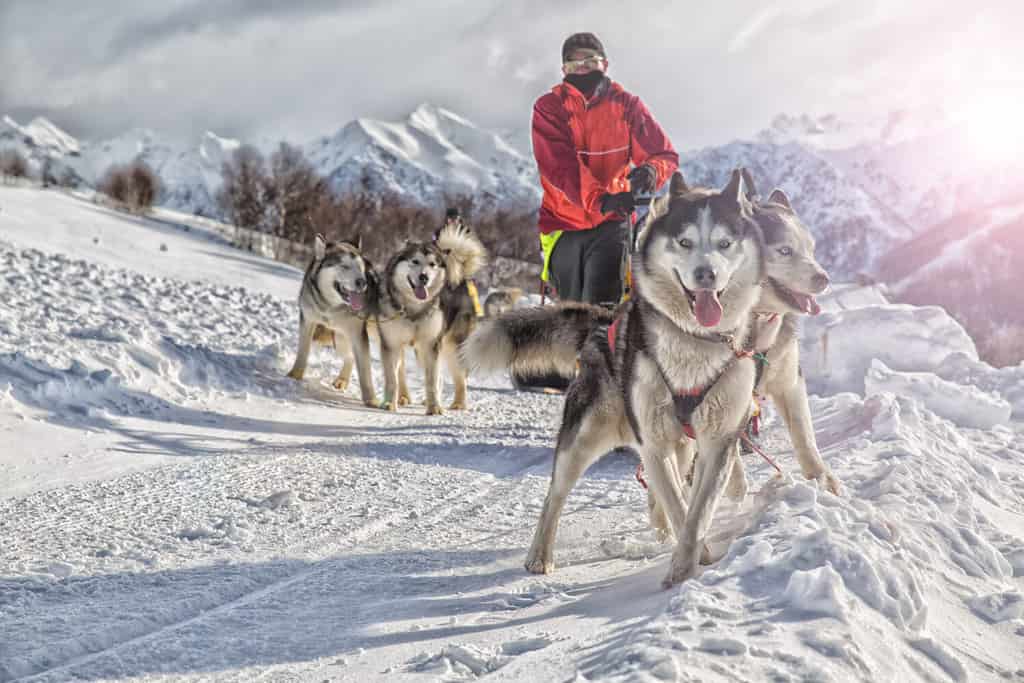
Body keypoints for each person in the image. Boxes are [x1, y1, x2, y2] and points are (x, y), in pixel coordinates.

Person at [515, 31, 679, 391]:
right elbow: (558, 169)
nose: (584, 68)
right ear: (564, 69)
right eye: (576, 63)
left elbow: (663, 154)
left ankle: (605, 394)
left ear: (605, 64)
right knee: (573, 309)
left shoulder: (626, 105)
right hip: (563, 223)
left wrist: (650, 171)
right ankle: (571, 378)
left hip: (613, 223)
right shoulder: (549, 107)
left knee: (605, 308)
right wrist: (601, 197)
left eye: (592, 61)